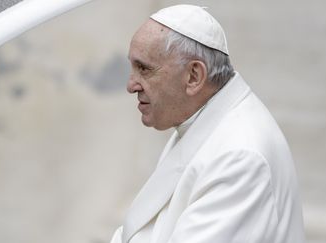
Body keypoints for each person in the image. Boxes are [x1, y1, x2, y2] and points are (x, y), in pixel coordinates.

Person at [110, 4, 305, 243]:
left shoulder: (240, 157)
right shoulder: (198, 122)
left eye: (144, 69)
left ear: (193, 76)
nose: (131, 85)